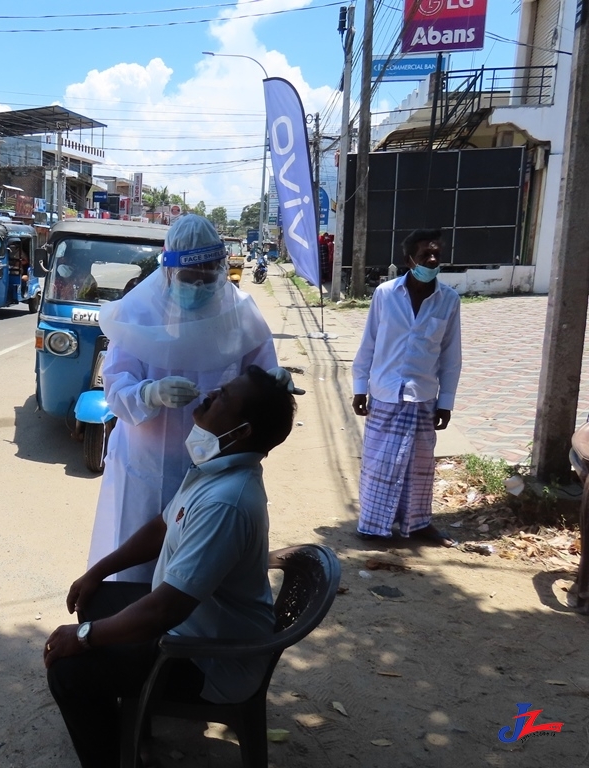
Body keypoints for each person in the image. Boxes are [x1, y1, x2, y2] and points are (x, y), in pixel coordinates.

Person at [44, 366, 302, 768]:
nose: (212, 394)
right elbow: (162, 526)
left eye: (225, 397)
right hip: (194, 624)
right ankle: (126, 726)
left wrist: (84, 638)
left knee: (69, 672)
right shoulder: (214, 468)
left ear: (243, 430)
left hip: (209, 658)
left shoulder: (226, 502)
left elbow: (165, 611)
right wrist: (97, 572)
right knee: (95, 601)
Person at [86, 215, 277, 583]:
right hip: (146, 464)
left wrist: (274, 383)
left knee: (201, 569)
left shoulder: (240, 313)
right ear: (169, 271)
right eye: (190, 278)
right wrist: (149, 392)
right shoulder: (137, 313)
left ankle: (189, 634)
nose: (200, 286)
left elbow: (262, 378)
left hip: (218, 466)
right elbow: (115, 386)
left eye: (208, 277)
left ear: (221, 268)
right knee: (137, 567)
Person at [352, 228, 462, 545]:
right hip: (385, 393)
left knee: (419, 468)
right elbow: (369, 343)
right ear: (408, 259)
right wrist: (360, 386)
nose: (431, 259)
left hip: (423, 397)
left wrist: (446, 402)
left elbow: (450, 356)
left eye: (436, 255)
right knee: (379, 465)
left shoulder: (449, 301)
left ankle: (418, 524)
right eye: (425, 254)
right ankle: (373, 526)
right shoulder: (385, 295)